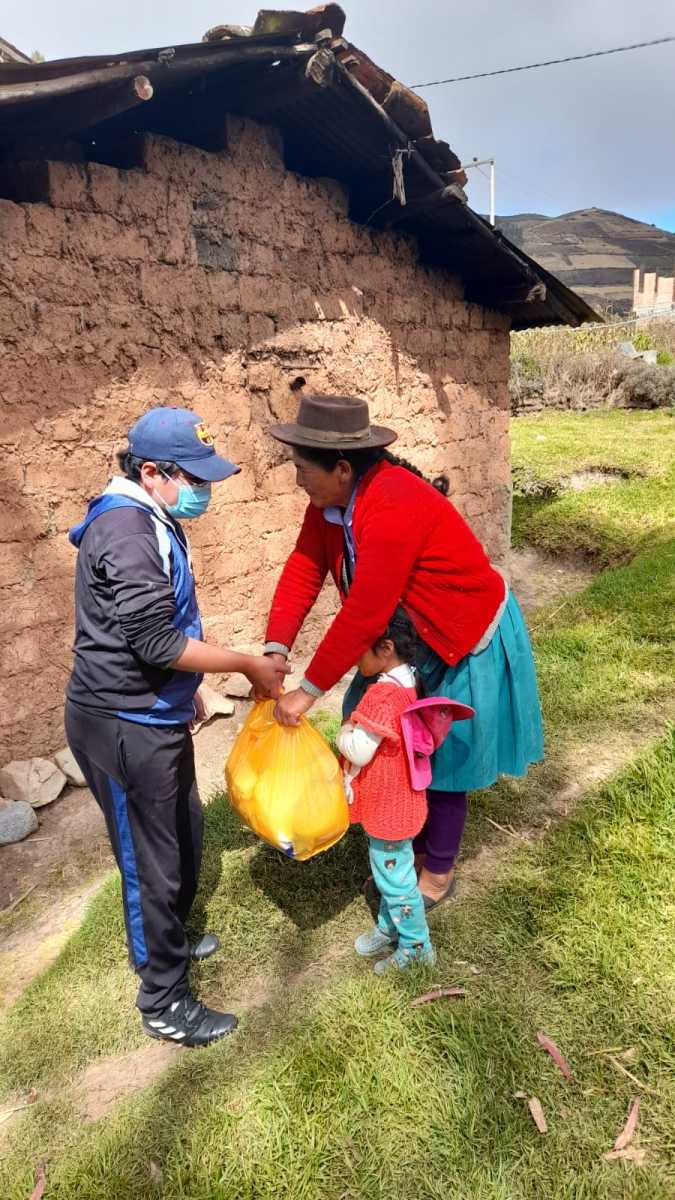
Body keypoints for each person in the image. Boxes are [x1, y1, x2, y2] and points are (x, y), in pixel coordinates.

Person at [263, 394, 543, 909]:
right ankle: (405, 843)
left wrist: (307, 692)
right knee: (389, 747)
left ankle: (436, 872)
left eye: (302, 469)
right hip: (405, 639)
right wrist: (276, 649)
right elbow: (305, 568)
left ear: (342, 468)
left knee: (443, 759)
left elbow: (366, 610)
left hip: (457, 634)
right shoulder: (330, 507)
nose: (297, 480)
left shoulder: (392, 501)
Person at [65, 407, 288, 1048]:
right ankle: (163, 999)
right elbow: (156, 641)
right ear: (153, 473)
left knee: (183, 833)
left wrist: (185, 692)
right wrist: (246, 663)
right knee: (150, 863)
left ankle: (173, 938)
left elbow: (159, 635)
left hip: (153, 711)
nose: (205, 491)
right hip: (121, 724)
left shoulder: (152, 518)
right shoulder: (127, 532)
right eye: (195, 478)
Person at [337, 608, 435, 973]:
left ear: (386, 647)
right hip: (404, 797)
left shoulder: (382, 696)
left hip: (388, 808)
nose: (355, 659)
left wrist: (343, 731)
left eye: (360, 650)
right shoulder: (411, 681)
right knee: (393, 873)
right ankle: (390, 927)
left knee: (396, 881)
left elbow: (360, 750)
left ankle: (417, 946)